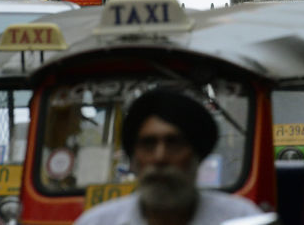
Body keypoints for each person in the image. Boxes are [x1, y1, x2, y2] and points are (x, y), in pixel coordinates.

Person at [74, 88, 262, 225]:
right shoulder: (97, 222)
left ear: (196, 155)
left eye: (174, 143)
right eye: (148, 144)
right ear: (134, 158)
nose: (160, 157)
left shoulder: (241, 218)